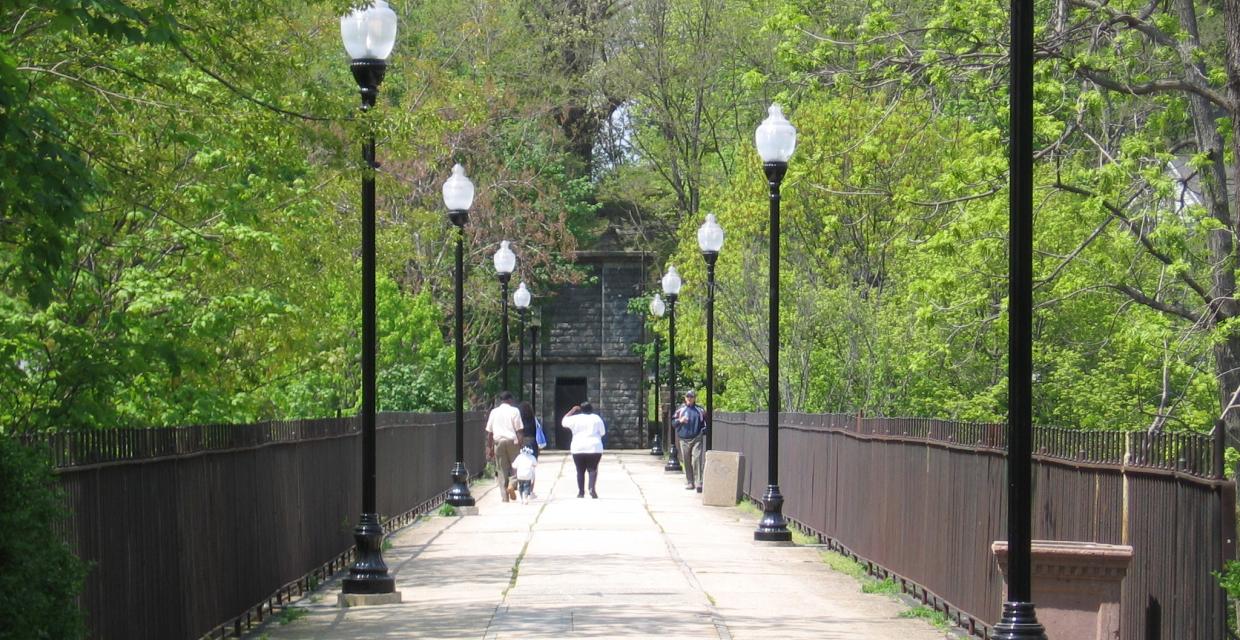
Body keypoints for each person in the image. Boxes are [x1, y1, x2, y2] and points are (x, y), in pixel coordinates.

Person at [562, 401, 606, 499]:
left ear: (581, 410)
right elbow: (602, 432)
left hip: (578, 447)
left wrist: (572, 410)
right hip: (594, 447)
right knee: (593, 469)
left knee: (580, 470)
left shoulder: (575, 418)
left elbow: (563, 421)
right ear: (591, 409)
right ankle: (591, 488)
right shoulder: (596, 418)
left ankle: (581, 492)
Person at [485, 390, 522, 503]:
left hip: (499, 442)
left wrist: (489, 448)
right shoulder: (514, 411)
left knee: (501, 470)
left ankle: (505, 497)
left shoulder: (494, 412)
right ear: (510, 400)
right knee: (516, 467)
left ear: (501, 401)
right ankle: (512, 484)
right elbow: (519, 430)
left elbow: (490, 433)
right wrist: (520, 445)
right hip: (512, 441)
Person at [673, 390, 707, 492]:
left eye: (691, 397)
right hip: (683, 439)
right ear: (685, 398)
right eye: (687, 397)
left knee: (696, 459)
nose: (689, 398)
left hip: (696, 438)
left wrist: (702, 431)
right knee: (686, 460)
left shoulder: (700, 410)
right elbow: (673, 423)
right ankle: (690, 482)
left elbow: (705, 423)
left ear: (694, 398)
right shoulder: (680, 410)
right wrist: (680, 420)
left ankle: (699, 482)